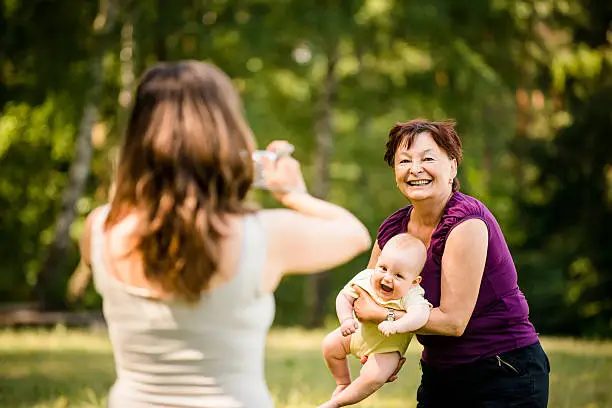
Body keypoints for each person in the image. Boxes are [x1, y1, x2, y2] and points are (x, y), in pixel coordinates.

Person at [78, 60, 372, 408]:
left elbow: (154, 218)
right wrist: (295, 196)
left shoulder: (99, 228)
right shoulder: (261, 237)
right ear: (225, 135)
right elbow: (355, 234)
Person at [352, 119, 550, 407]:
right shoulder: (393, 230)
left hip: (503, 372)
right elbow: (368, 297)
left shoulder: (465, 223)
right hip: (440, 375)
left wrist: (385, 319)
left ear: (453, 166)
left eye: (427, 158)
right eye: (403, 160)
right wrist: (382, 352)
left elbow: (453, 322)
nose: (415, 169)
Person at [317, 233, 431, 408]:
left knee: (374, 377)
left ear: (414, 281)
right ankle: (343, 383)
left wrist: (397, 325)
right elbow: (344, 296)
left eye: (398, 276)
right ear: (377, 263)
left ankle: (336, 403)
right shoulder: (366, 278)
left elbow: (420, 316)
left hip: (386, 348)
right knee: (330, 345)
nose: (387, 278)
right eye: (383, 268)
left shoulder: (412, 294)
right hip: (357, 333)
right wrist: (346, 319)